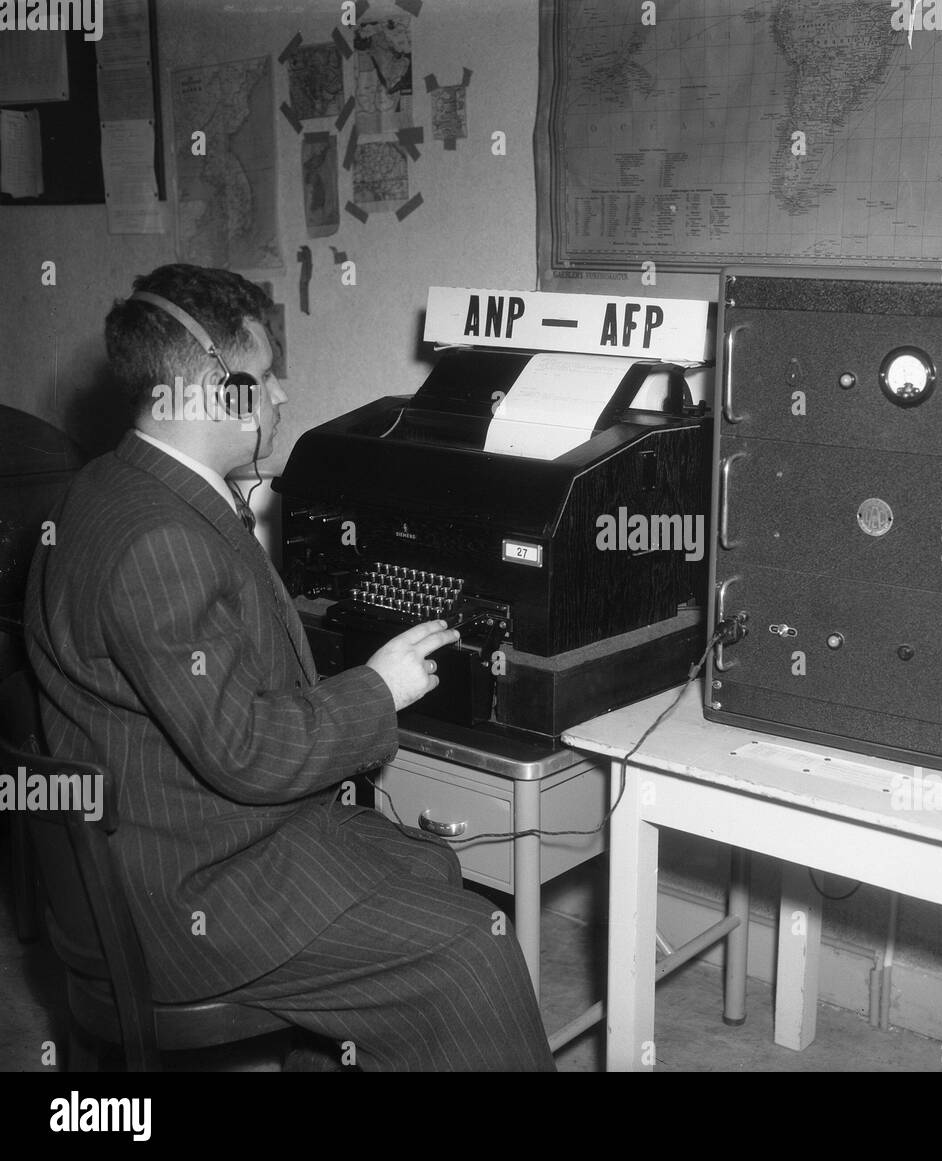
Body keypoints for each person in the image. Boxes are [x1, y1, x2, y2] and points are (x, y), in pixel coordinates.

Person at [24, 263, 554, 1071]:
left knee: (430, 863)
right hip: (188, 894)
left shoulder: (102, 488)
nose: (277, 397)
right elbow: (248, 751)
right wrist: (379, 686)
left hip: (170, 831)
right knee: (472, 952)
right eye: (264, 377)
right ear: (212, 386)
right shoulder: (159, 540)